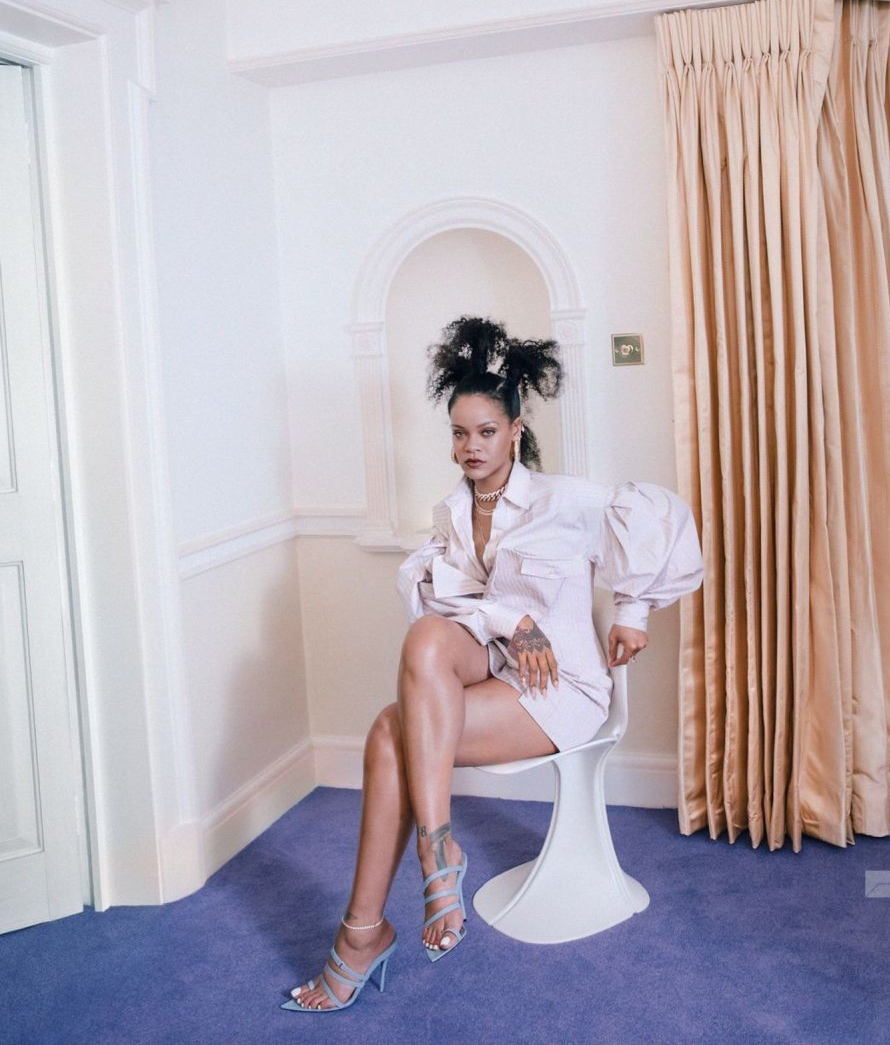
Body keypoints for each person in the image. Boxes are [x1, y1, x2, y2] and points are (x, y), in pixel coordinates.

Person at [282, 315, 703, 1013]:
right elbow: (445, 607)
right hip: (498, 670)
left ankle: (364, 932)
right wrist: (514, 620)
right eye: (458, 433)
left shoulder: (567, 500)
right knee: (425, 639)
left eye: (484, 432)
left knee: (389, 733)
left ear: (515, 431)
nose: (470, 447)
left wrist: (632, 611)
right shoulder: (451, 514)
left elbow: (663, 523)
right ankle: (434, 853)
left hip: (561, 689)